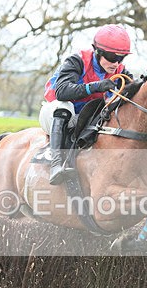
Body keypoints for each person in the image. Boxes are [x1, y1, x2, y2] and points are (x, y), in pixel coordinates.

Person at [40, 24, 133, 184]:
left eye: (121, 58)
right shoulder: (76, 61)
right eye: (112, 57)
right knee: (64, 107)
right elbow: (61, 91)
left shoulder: (120, 71)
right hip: (57, 113)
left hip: (88, 117)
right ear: (98, 52)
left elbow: (134, 90)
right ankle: (56, 164)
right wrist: (95, 87)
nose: (116, 64)